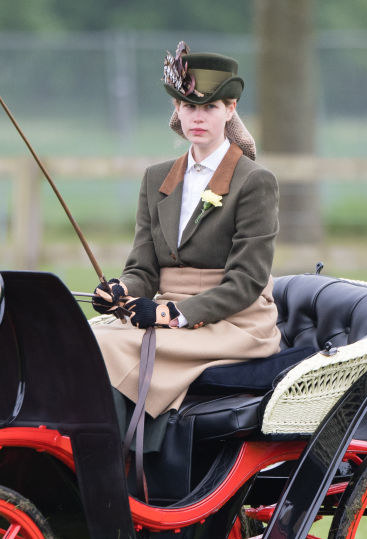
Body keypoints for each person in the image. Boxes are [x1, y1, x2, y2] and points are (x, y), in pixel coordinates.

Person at [91, 42, 281, 426]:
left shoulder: (255, 182)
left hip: (236, 321)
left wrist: (173, 313)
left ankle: (122, 457)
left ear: (230, 110)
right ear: (177, 110)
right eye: (189, 106)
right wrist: (121, 291)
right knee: (86, 335)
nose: (198, 117)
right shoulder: (156, 177)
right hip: (166, 308)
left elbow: (246, 282)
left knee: (107, 343)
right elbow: (143, 268)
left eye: (210, 107)